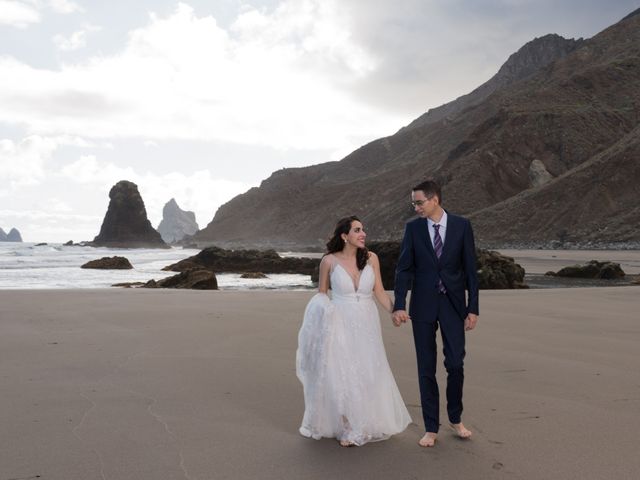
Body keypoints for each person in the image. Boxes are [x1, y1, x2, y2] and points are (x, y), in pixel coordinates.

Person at [296, 216, 411, 447]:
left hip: (368, 323)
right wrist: (320, 327)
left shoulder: (371, 258)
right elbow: (321, 296)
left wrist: (395, 310)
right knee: (343, 371)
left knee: (369, 369)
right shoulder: (328, 261)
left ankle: (366, 420)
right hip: (339, 322)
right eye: (357, 230)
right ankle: (348, 425)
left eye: (363, 229)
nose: (363, 233)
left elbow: (378, 291)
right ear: (344, 236)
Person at [392, 180, 479, 448]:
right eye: (414, 203)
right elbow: (404, 268)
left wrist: (473, 307)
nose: (416, 207)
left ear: (435, 200)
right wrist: (399, 304)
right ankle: (431, 427)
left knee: (455, 363)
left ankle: (455, 417)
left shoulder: (462, 226)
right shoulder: (413, 229)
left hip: (453, 305)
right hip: (423, 305)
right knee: (426, 367)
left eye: (419, 202)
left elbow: (470, 269)